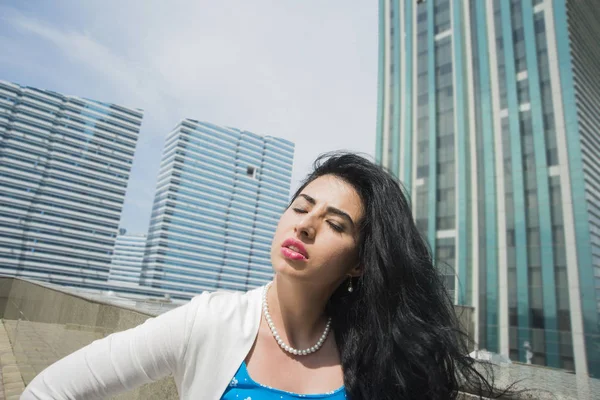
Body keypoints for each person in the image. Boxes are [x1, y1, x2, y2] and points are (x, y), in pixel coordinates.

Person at [22, 152, 504, 399]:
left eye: (335, 224)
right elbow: (51, 389)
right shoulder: (208, 322)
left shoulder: (374, 351)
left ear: (359, 263)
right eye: (301, 206)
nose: (307, 224)